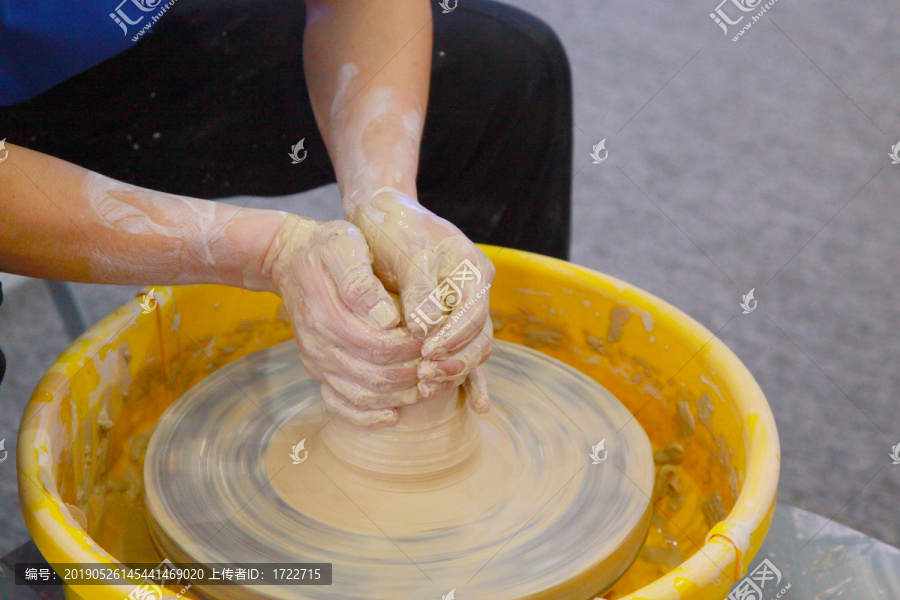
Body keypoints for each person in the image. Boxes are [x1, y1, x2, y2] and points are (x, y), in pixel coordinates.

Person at [0, 0, 573, 424]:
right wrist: (268, 252)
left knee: (506, 73)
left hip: (121, 40)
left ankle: (503, 406)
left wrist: (385, 195)